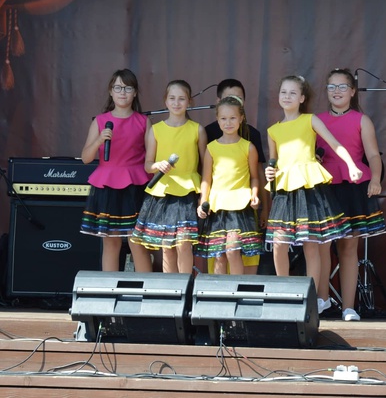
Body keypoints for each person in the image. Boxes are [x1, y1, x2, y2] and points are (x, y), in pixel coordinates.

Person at [265, 74, 361, 315]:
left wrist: (351, 165)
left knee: (311, 244)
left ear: (302, 98)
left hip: (309, 188)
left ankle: (312, 298)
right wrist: (270, 171)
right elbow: (274, 160)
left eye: (292, 93)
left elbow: (335, 144)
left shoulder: (310, 120)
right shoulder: (273, 130)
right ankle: (284, 294)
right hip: (285, 190)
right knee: (279, 243)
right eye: (283, 92)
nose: (287, 96)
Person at [316, 68, 386, 321]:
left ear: (352, 91)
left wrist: (375, 179)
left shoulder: (361, 120)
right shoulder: (316, 120)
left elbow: (373, 154)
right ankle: (322, 300)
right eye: (331, 86)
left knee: (348, 248)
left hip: (352, 186)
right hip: (323, 186)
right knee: (322, 246)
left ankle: (348, 307)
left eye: (342, 86)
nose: (336, 91)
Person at [79, 69, 153, 272]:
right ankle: (109, 288)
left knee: (137, 242)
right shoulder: (100, 121)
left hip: (135, 185)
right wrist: (99, 140)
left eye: (128, 88)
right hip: (107, 185)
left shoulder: (143, 121)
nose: (122, 92)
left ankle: (146, 287)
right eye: (118, 88)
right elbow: (86, 158)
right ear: (111, 92)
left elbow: (151, 158)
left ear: (135, 93)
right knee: (111, 242)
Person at [131, 79, 207, 274]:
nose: (176, 103)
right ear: (165, 101)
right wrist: (158, 165)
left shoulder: (197, 129)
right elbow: (148, 165)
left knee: (184, 243)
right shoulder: (156, 130)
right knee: (167, 245)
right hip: (163, 193)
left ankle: (186, 285)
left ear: (189, 102)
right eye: (172, 98)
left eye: (181, 98)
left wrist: (204, 195)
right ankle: (171, 287)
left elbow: (205, 165)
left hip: (187, 193)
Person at [204, 79, 267, 275]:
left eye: (233, 118)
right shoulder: (211, 146)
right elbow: (206, 179)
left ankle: (235, 288)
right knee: (219, 254)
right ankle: (218, 291)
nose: (228, 122)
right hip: (218, 206)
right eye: (223, 118)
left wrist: (256, 196)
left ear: (241, 118)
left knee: (233, 251)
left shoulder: (249, 146)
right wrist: (203, 201)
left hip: (240, 205)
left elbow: (255, 176)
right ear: (217, 118)